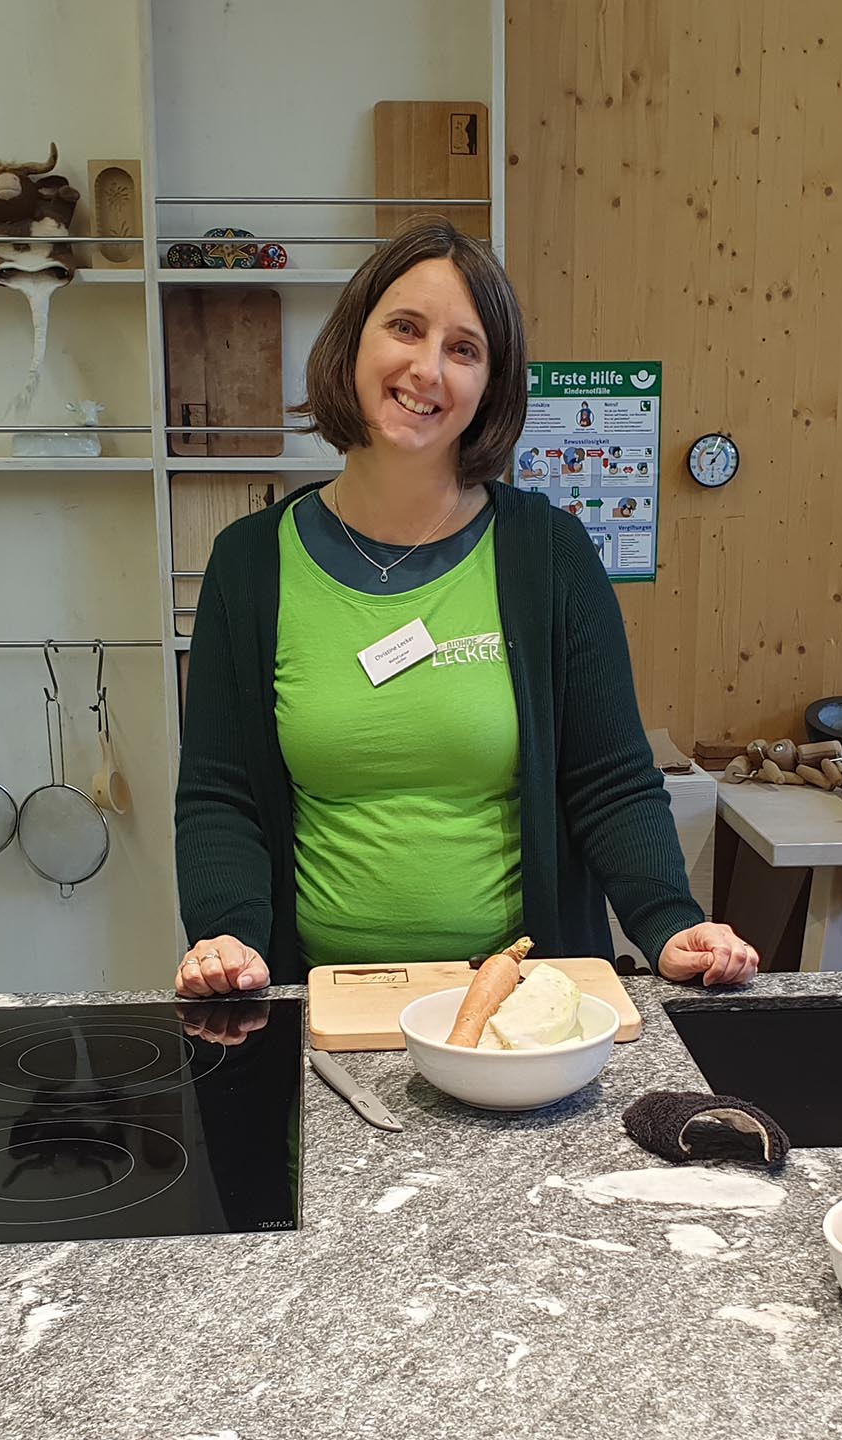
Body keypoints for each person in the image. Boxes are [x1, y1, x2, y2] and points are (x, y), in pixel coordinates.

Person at [174, 219, 759, 998]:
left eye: (464, 349)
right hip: (324, 1001)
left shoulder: (549, 554)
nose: (427, 369)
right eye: (406, 329)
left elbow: (610, 779)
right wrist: (229, 932)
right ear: (352, 342)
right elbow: (220, 794)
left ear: (490, 385)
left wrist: (667, 919)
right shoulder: (250, 563)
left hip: (523, 997)